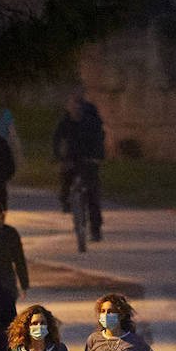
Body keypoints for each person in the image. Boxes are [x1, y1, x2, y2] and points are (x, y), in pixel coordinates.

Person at [52, 89, 106, 243]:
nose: (74, 110)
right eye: (72, 106)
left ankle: (95, 229)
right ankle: (65, 201)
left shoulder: (91, 122)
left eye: (77, 106)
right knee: (65, 176)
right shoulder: (65, 122)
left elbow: (99, 138)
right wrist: (58, 156)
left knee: (93, 195)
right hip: (72, 157)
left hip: (89, 158)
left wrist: (97, 157)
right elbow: (57, 139)